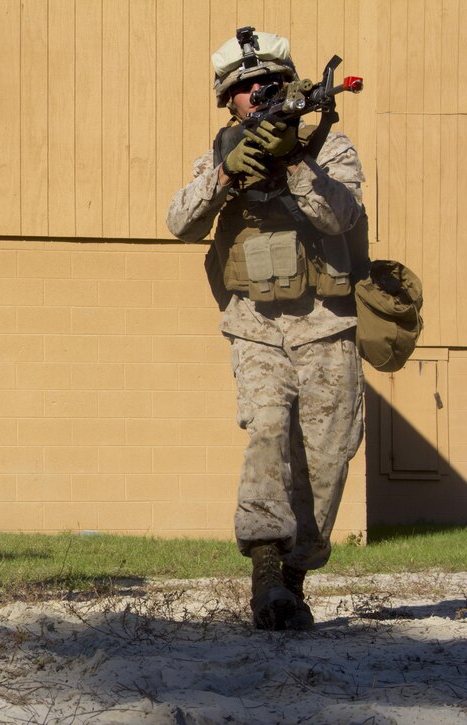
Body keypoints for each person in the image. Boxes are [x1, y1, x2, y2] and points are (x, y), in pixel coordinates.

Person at [166, 29, 366, 630]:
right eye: (244, 89)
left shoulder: (329, 147)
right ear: (229, 102)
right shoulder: (220, 152)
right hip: (254, 325)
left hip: (326, 326)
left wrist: (293, 163)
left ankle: (294, 578)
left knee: (328, 458)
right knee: (268, 430)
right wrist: (227, 174)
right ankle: (264, 573)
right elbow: (180, 222)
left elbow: (343, 214)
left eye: (267, 84)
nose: (257, 94)